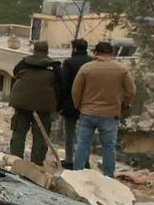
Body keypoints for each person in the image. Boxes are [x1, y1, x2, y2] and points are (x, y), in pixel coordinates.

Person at [72, 41, 136, 178]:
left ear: (95, 52)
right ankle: (108, 176)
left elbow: (76, 91)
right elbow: (131, 91)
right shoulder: (121, 69)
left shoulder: (86, 68)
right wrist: (123, 106)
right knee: (108, 146)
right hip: (110, 114)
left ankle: (77, 174)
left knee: (83, 144)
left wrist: (78, 105)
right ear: (111, 53)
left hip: (88, 112)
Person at [8, 40, 61, 165]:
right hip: (43, 107)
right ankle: (36, 164)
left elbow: (15, 73)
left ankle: (15, 161)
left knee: (19, 133)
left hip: (22, 104)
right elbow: (61, 84)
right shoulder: (54, 67)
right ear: (47, 52)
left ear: (34, 50)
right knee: (40, 136)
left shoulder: (23, 63)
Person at [59, 38, 93, 168]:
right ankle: (85, 161)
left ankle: (69, 160)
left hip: (71, 103)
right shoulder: (92, 62)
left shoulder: (69, 62)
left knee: (70, 133)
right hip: (88, 102)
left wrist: (60, 104)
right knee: (85, 135)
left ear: (74, 48)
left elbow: (64, 84)